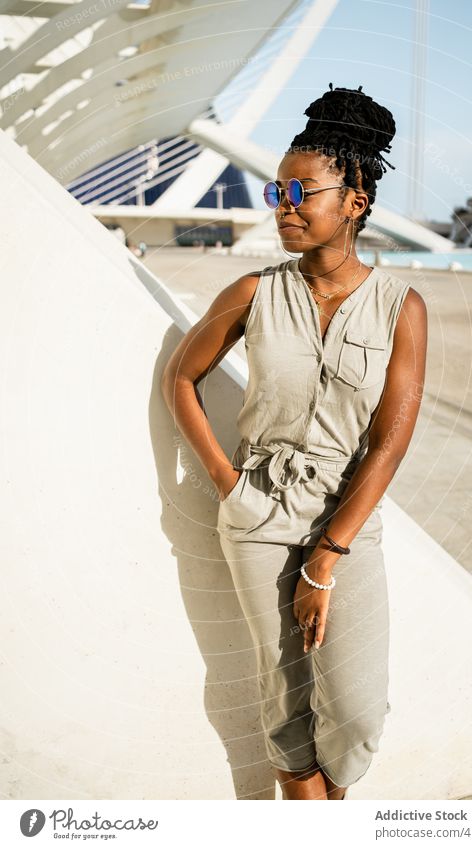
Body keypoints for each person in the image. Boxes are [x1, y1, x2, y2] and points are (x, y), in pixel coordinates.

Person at [161, 83, 427, 800]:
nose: (282, 203)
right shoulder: (252, 291)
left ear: (354, 200)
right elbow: (180, 379)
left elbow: (386, 444)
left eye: (301, 191)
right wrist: (227, 483)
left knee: (358, 708)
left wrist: (325, 557)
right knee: (283, 697)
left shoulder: (401, 306)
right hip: (256, 516)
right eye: (277, 188)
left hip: (345, 525)